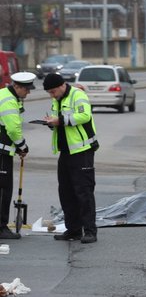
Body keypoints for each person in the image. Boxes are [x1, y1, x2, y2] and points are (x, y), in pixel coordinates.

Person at [42, 73, 98, 244]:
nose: (52, 95)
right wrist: (51, 123)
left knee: (84, 192)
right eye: (49, 93)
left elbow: (84, 116)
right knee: (66, 192)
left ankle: (90, 231)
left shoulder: (78, 95)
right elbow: (60, 124)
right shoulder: (56, 100)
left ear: (62, 85)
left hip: (82, 150)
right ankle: (73, 230)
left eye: (53, 92)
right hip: (65, 151)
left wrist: (59, 120)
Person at [0, 72, 35, 240]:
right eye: (26, 90)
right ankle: (1, 228)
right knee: (3, 189)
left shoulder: (6, 95)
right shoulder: (8, 101)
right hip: (1, 152)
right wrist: (22, 146)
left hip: (4, 149)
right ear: (17, 87)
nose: (28, 93)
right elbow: (13, 129)